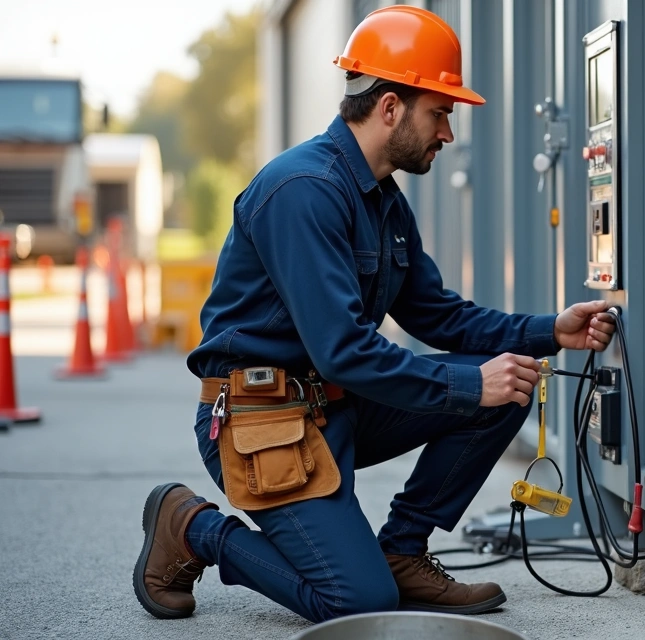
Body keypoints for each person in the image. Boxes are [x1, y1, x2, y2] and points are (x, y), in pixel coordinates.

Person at [132, 5, 616, 624]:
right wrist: (470, 383)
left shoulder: (382, 200)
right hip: (261, 422)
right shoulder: (302, 192)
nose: (447, 133)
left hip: (335, 405)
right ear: (390, 106)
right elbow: (344, 349)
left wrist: (548, 331)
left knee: (510, 381)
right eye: (439, 113)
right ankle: (193, 527)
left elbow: (436, 314)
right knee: (354, 603)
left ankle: (401, 552)